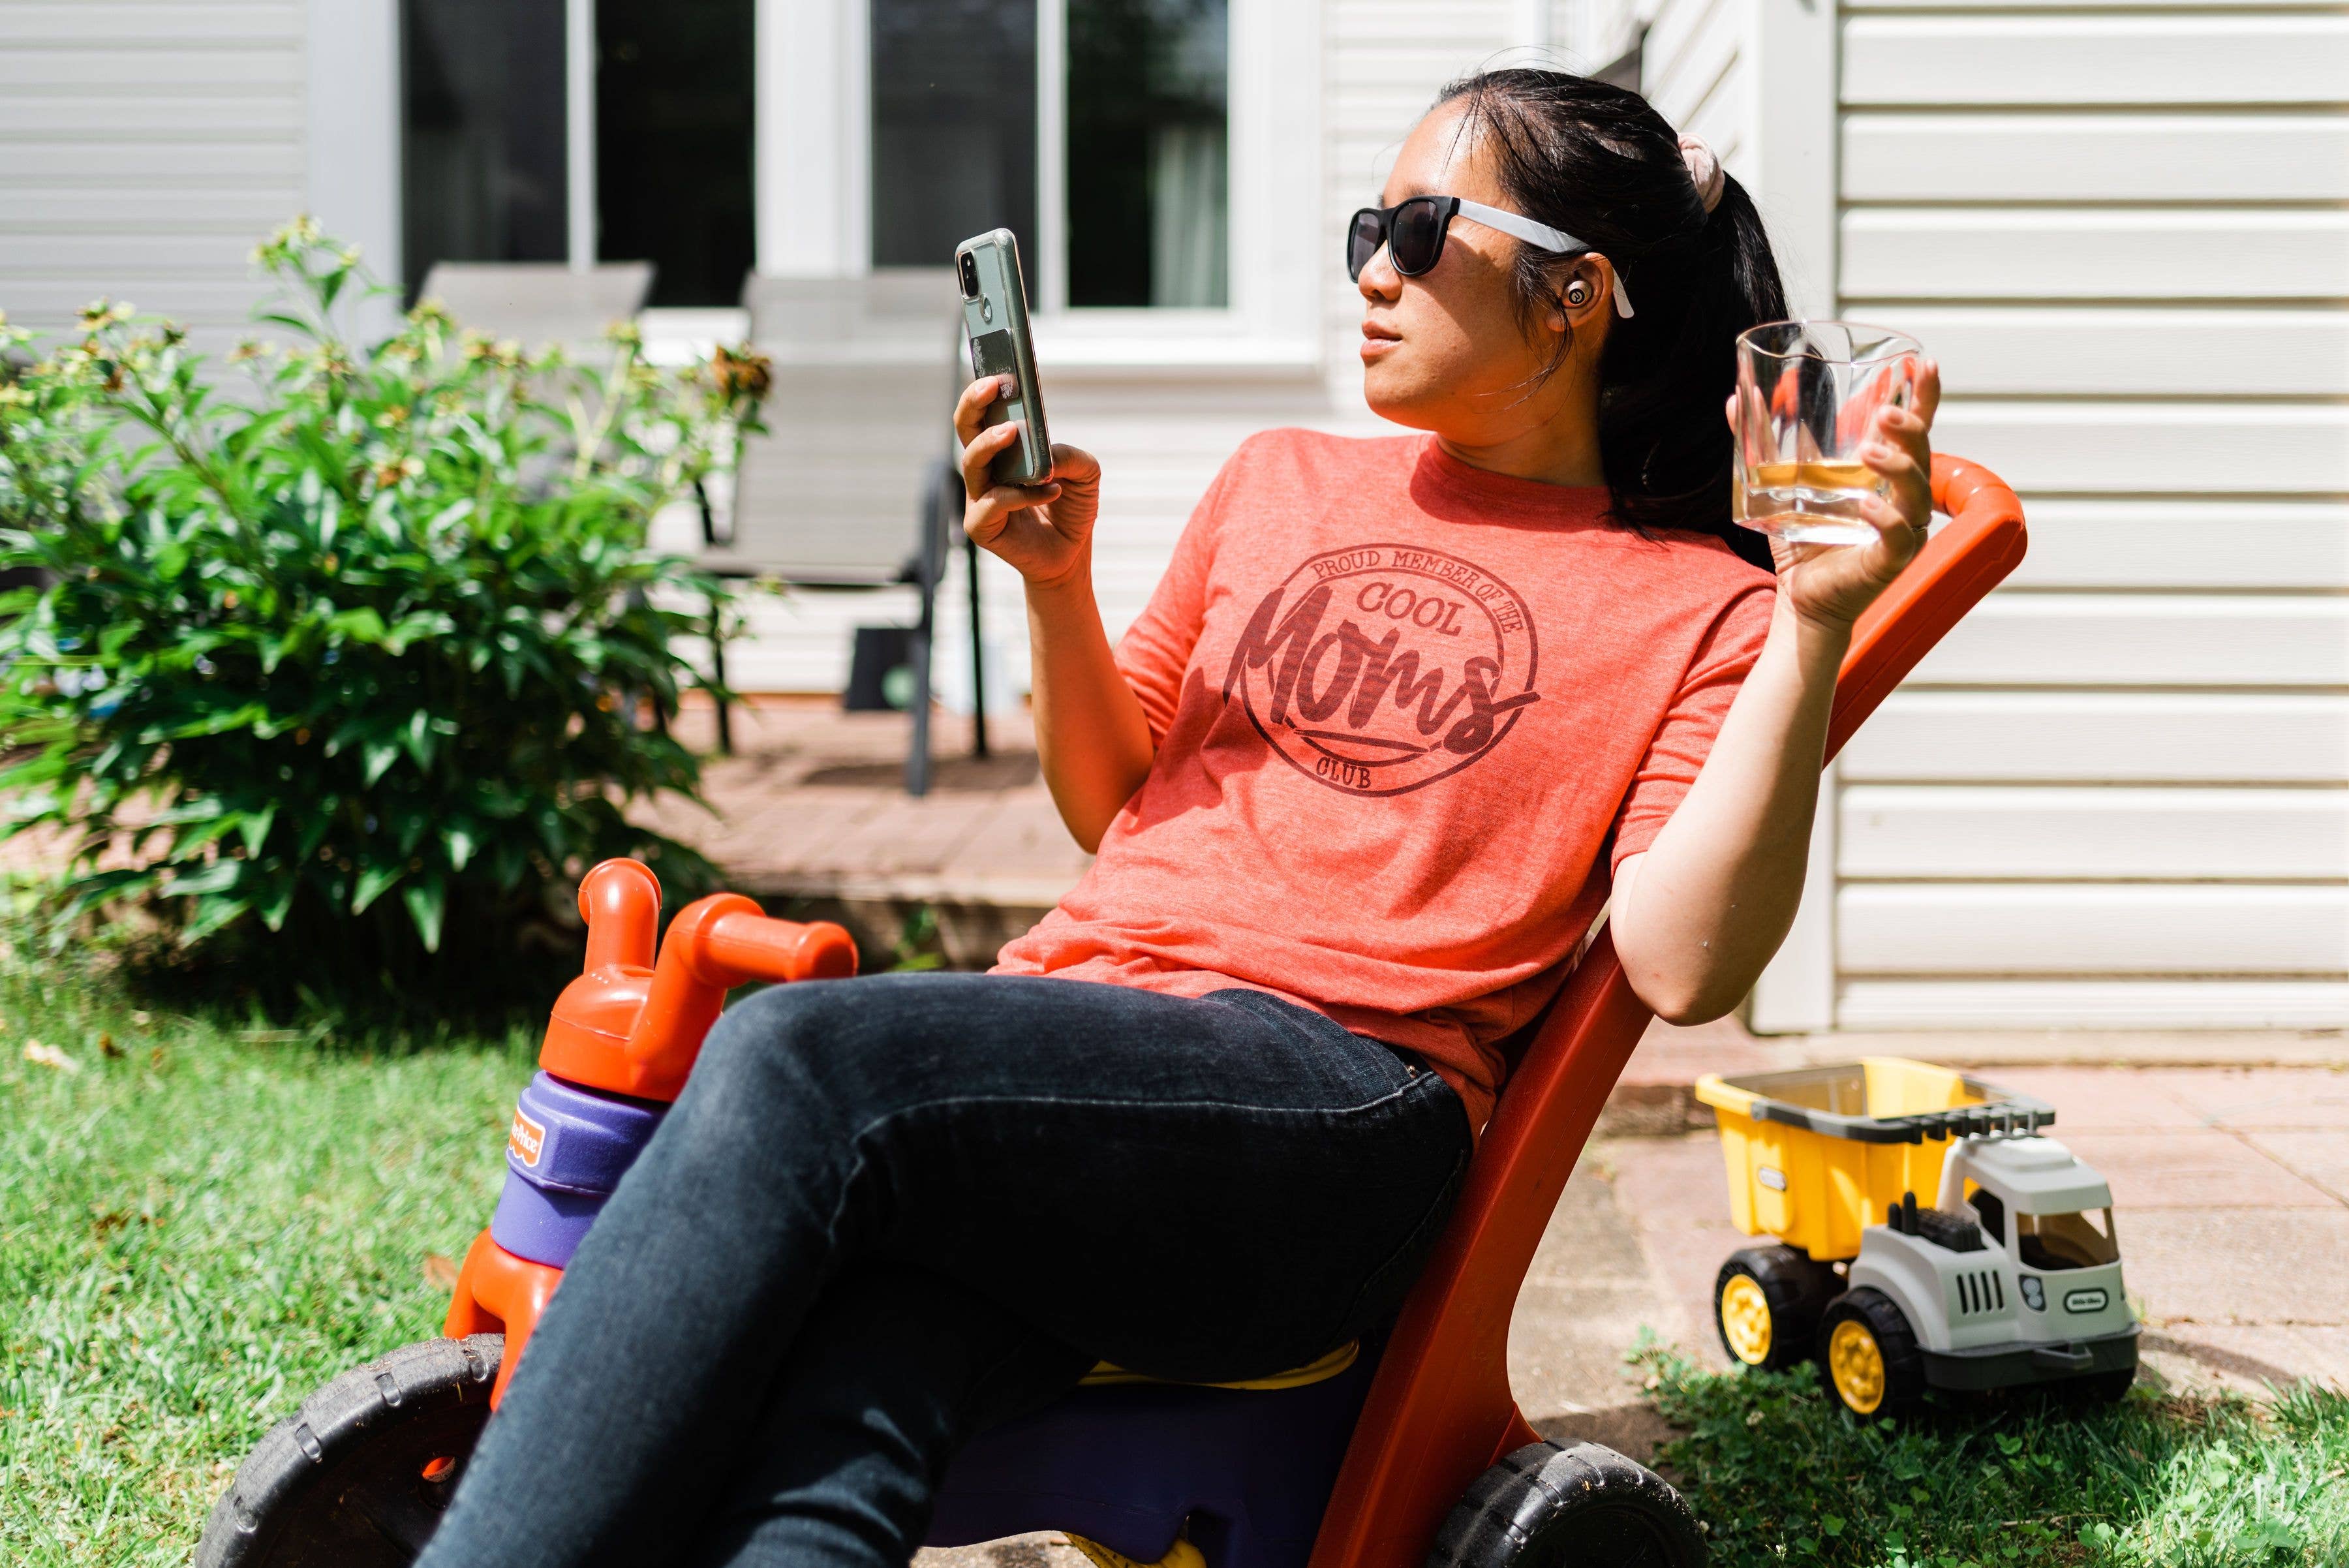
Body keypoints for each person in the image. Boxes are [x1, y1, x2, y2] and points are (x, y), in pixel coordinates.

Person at [416, 69, 1941, 1568]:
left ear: (1575, 295)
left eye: (1419, 233)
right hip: (1091, 1055)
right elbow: (1115, 800)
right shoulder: (1279, 477)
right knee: (857, 1378)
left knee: (798, 1056)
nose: (1371, 272)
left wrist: (1812, 629)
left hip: (1334, 1118)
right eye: (1366, 229)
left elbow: (1683, 963)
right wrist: (1054, 585)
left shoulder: (1704, 605)